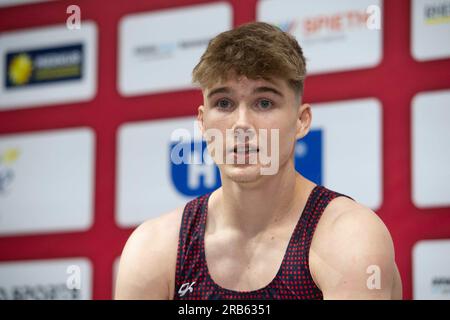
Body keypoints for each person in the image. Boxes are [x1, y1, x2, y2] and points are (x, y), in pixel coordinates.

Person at [115, 21, 402, 300]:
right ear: (202, 123)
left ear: (301, 121)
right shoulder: (156, 248)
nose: (241, 124)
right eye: (223, 104)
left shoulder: (348, 237)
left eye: (264, 102)